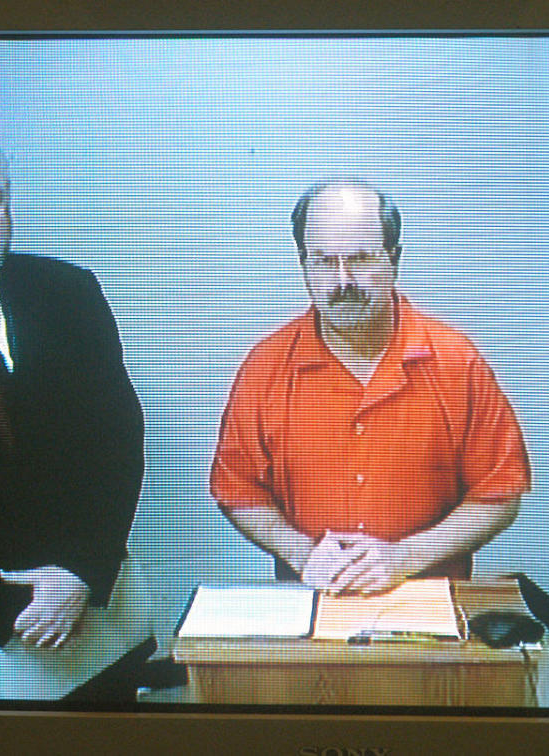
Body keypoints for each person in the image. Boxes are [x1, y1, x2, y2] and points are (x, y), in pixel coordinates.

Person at [210, 179, 530, 596]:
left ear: (394, 259)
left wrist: (406, 557)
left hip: (427, 611)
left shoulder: (456, 362)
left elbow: (500, 491)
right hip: (313, 607)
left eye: (360, 259)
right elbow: (237, 489)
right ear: (303, 262)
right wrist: (303, 553)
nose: (342, 281)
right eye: (323, 261)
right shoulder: (265, 367)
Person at [0, 124, 148, 704]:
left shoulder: (66, 292)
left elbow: (117, 445)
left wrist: (80, 572)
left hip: (96, 631)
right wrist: (10, 606)